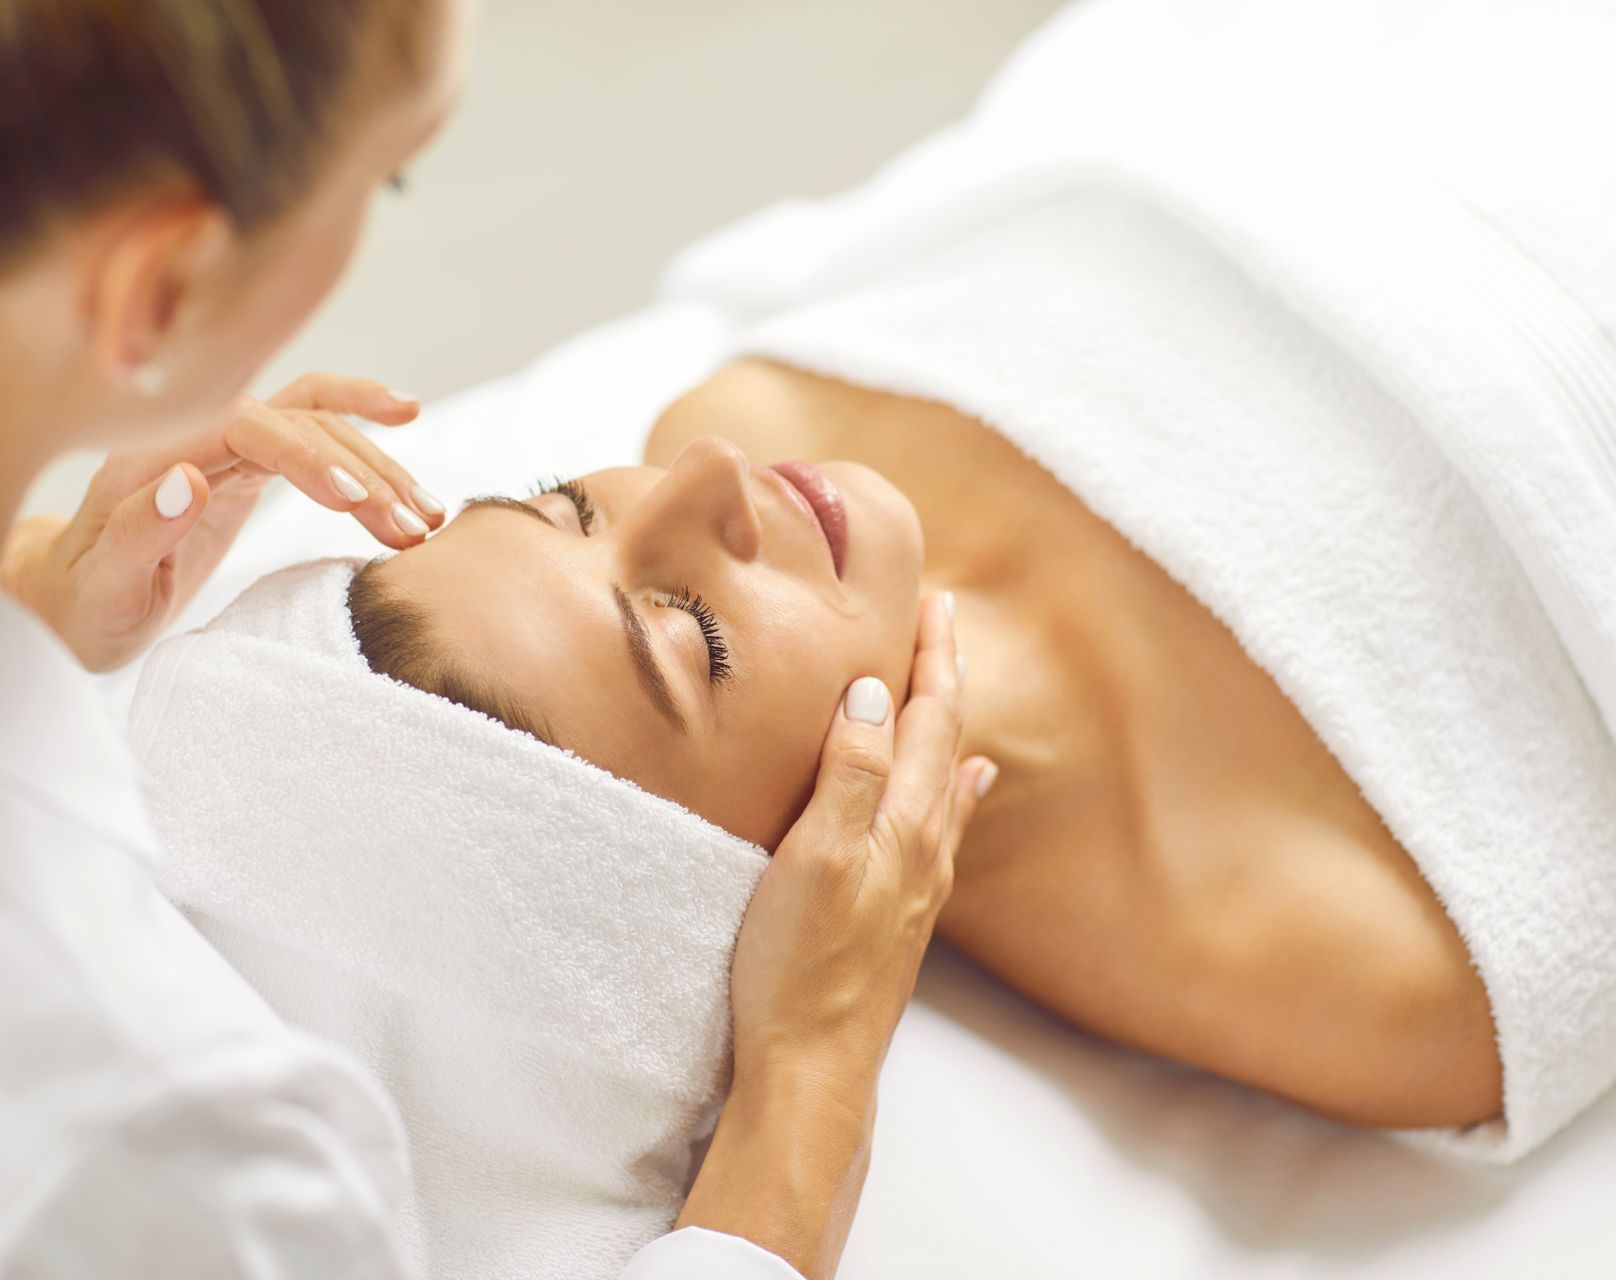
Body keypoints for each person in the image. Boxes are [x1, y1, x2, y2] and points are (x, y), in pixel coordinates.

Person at [0, 4, 981, 1278]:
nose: (700, 466)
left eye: (551, 502)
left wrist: (25, 589)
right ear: (164, 293)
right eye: (392, 172)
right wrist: (809, 1080)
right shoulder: (159, 1144)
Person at [343, 358, 1506, 1133]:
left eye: (566, 504)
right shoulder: (1330, 951)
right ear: (765, 874)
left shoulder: (761, 407)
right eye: (692, 635)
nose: (702, 477)